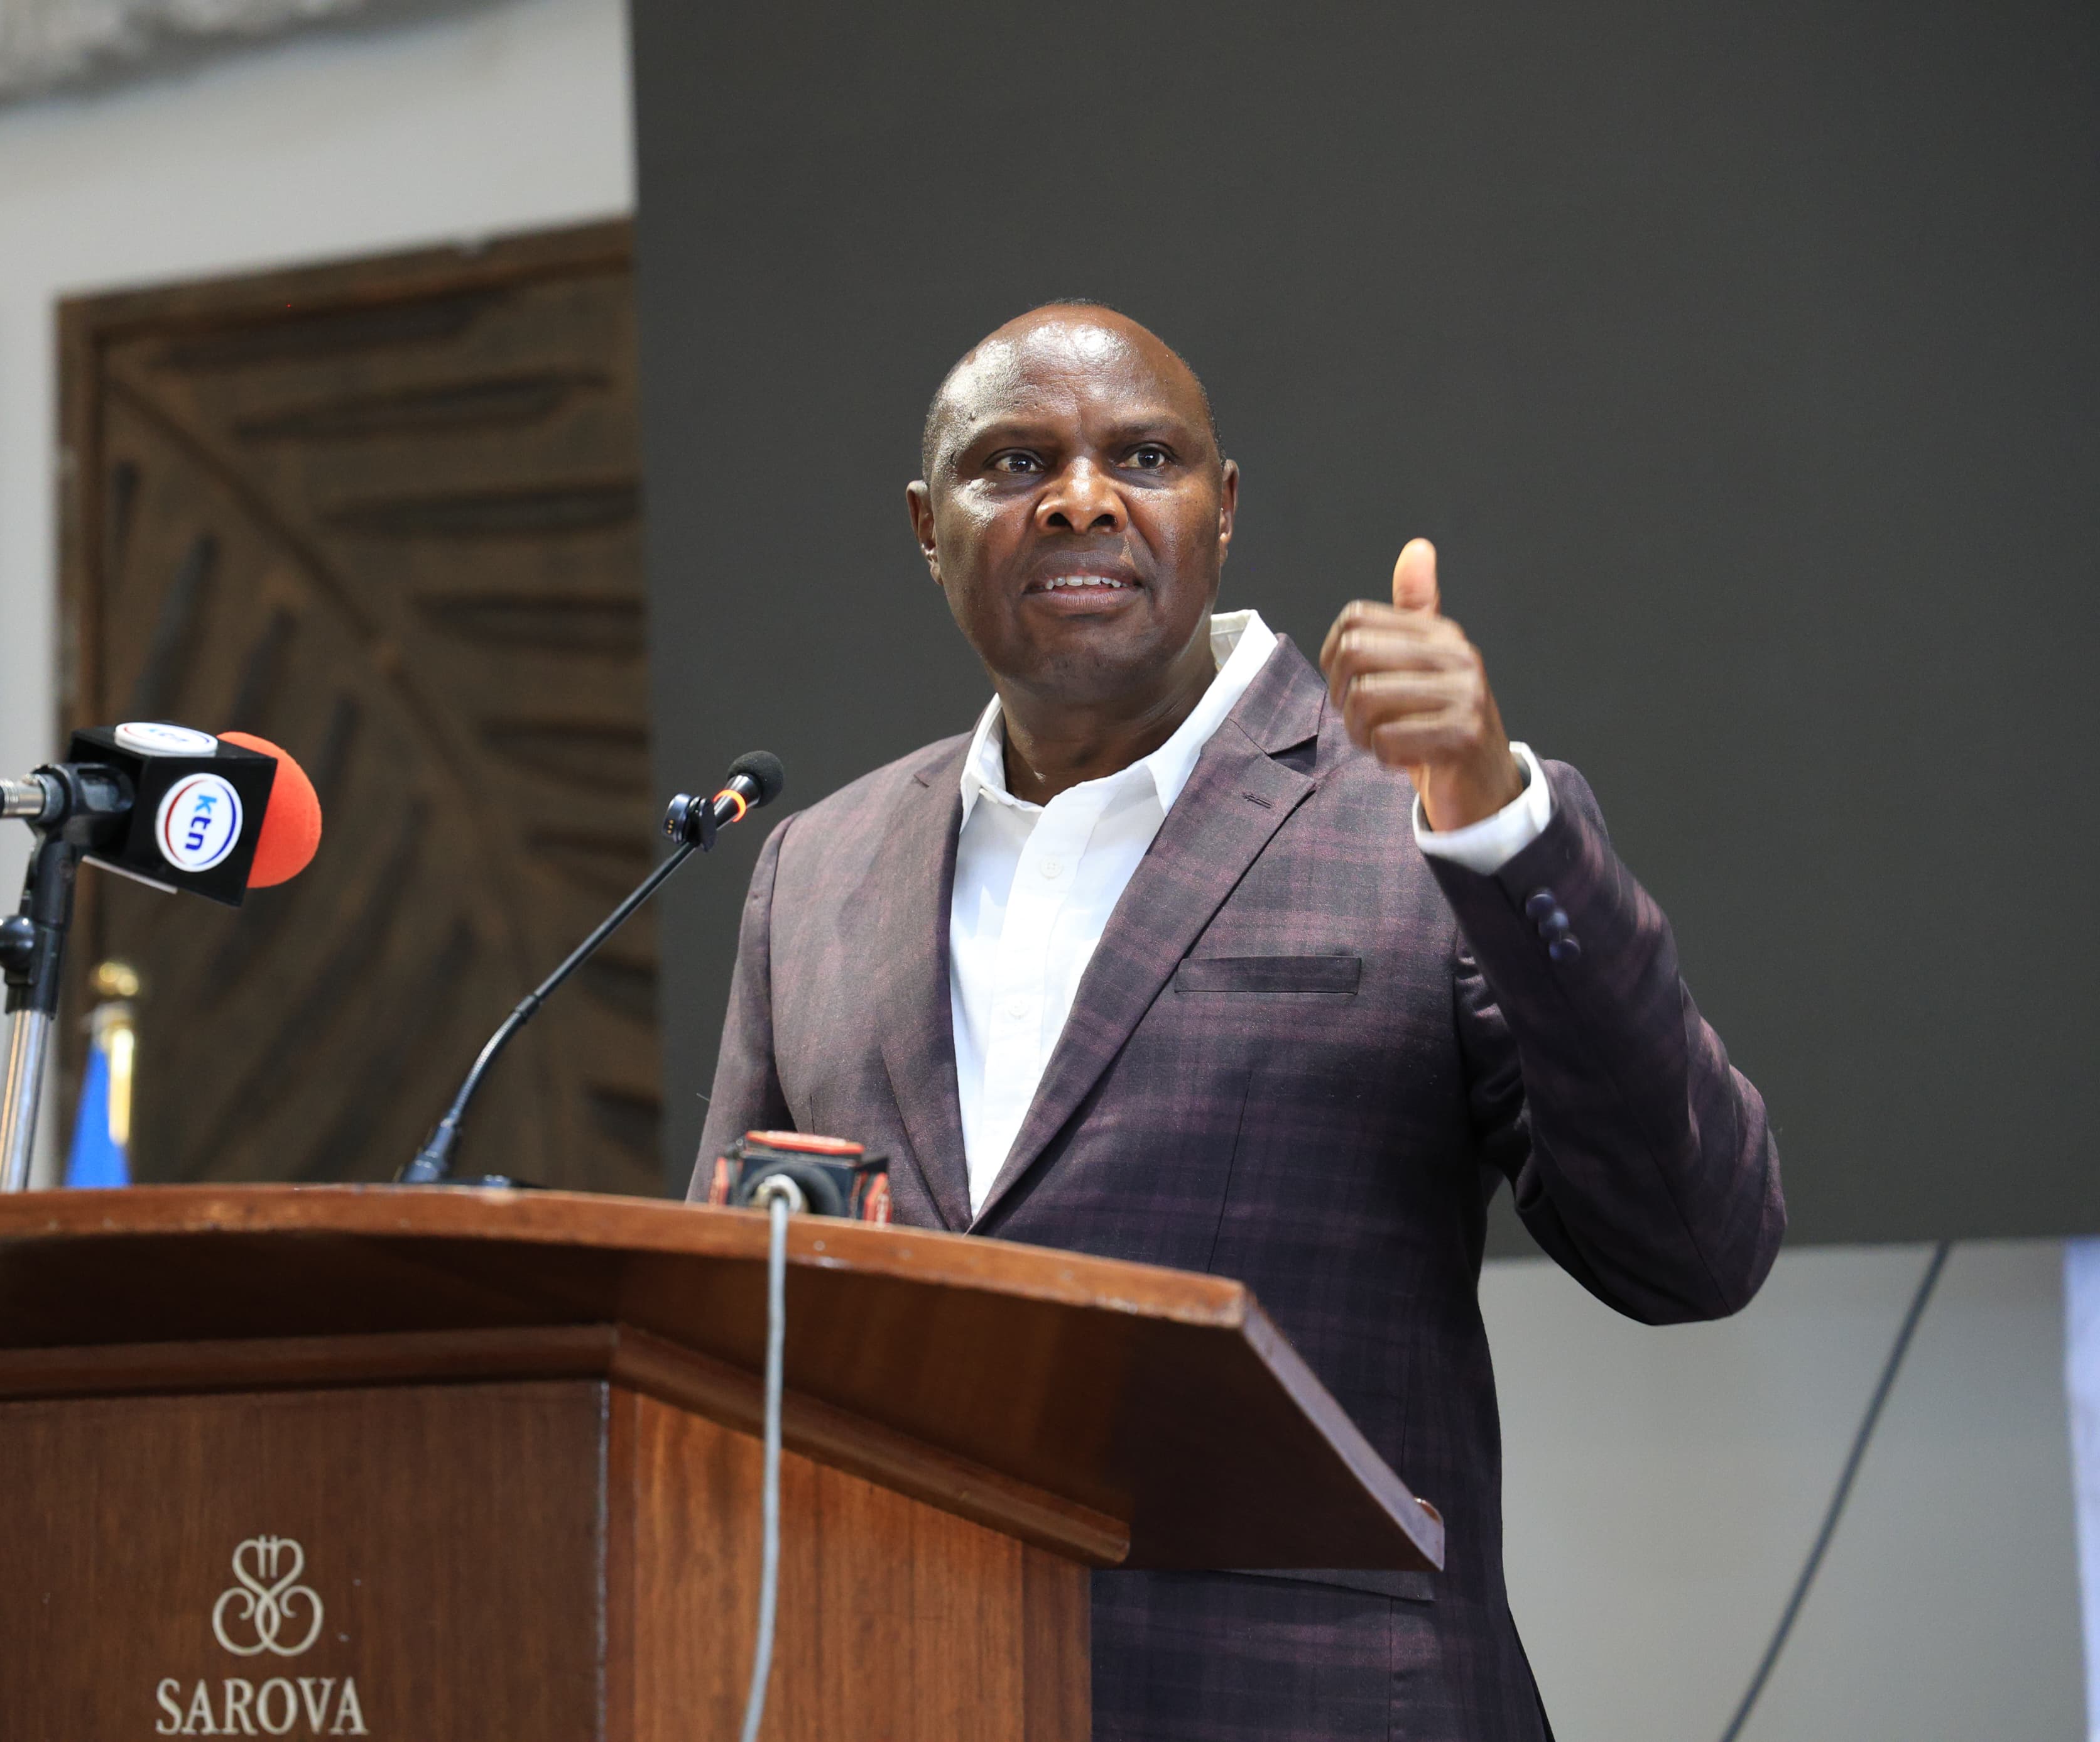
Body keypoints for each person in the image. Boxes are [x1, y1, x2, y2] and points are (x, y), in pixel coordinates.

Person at [687, 303, 1783, 1739]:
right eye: (1013, 463)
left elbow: (1693, 1242)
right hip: (903, 1685)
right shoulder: (816, 871)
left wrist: (1504, 832)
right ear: (925, 524)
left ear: (1222, 512)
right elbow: (721, 1340)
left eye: (1141, 455)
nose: (1080, 497)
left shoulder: (1421, 815)